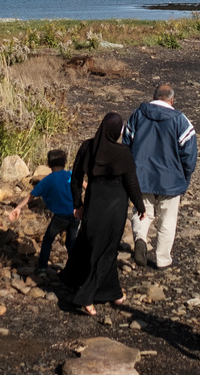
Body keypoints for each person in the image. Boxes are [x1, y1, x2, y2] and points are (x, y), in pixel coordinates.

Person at [60, 113, 146, 315]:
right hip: (115, 207)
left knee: (91, 244)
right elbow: (131, 183)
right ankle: (86, 296)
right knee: (107, 250)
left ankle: (113, 293)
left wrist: (78, 204)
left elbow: (76, 178)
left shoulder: (87, 147)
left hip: (94, 203)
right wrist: (140, 206)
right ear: (116, 132)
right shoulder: (122, 152)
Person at [123, 83, 197, 270]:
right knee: (167, 219)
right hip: (170, 179)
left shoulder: (138, 114)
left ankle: (140, 238)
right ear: (172, 100)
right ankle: (163, 259)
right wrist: (185, 175)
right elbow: (189, 153)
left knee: (142, 211)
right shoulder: (180, 120)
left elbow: (126, 143)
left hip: (140, 176)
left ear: (154, 96)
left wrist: (128, 172)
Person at [8, 149, 78, 275]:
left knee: (47, 240)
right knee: (71, 242)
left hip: (60, 217)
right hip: (75, 215)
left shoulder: (48, 180)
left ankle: (42, 268)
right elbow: (85, 185)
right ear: (65, 163)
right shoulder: (71, 175)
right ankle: (75, 268)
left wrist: (18, 207)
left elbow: (31, 196)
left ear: (48, 164)